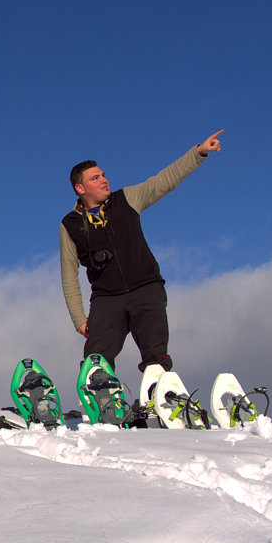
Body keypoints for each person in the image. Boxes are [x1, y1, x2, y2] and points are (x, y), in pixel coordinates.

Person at [59, 130, 224, 374]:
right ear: (80, 188)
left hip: (146, 289)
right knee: (96, 362)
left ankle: (157, 400)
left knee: (156, 358)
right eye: (95, 178)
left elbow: (164, 181)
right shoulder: (69, 224)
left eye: (103, 175)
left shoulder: (127, 199)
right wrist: (79, 319)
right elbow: (68, 274)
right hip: (106, 299)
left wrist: (198, 152)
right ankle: (102, 401)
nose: (104, 180)